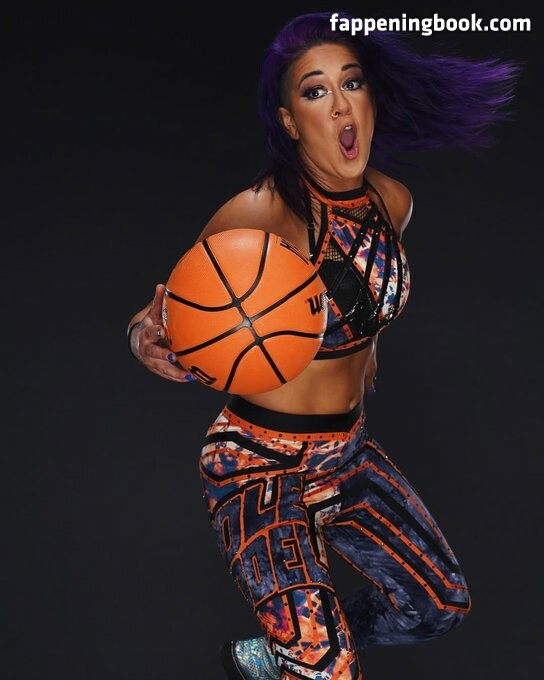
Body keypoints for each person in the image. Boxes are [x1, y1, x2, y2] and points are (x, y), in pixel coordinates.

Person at [126, 11, 520, 680]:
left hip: (347, 454)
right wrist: (144, 339)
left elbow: (368, 294)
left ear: (370, 100)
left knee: (437, 606)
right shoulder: (261, 211)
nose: (340, 104)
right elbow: (166, 309)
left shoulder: (392, 202)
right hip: (258, 463)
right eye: (315, 91)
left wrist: (367, 351)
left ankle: (283, 655)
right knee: (327, 670)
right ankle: (310, 656)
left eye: (352, 83)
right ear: (289, 120)